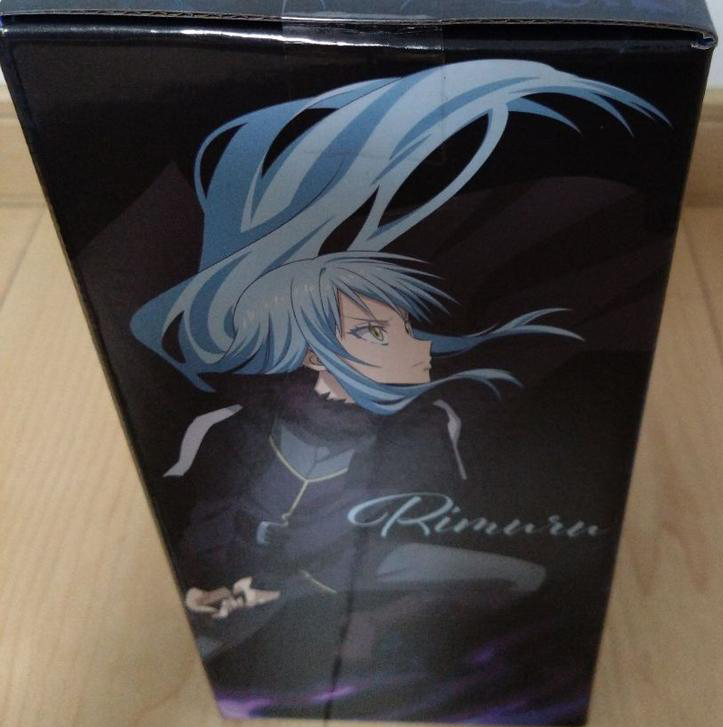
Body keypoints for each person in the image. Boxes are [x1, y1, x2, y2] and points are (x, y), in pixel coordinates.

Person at [130, 60, 663, 672]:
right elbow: (210, 518)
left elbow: (401, 524)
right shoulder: (238, 423)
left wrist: (328, 600)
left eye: (407, 331)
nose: (417, 348)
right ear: (313, 350)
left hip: (347, 573)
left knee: (522, 576)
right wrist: (209, 587)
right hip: (250, 584)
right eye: (376, 332)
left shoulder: (430, 422)